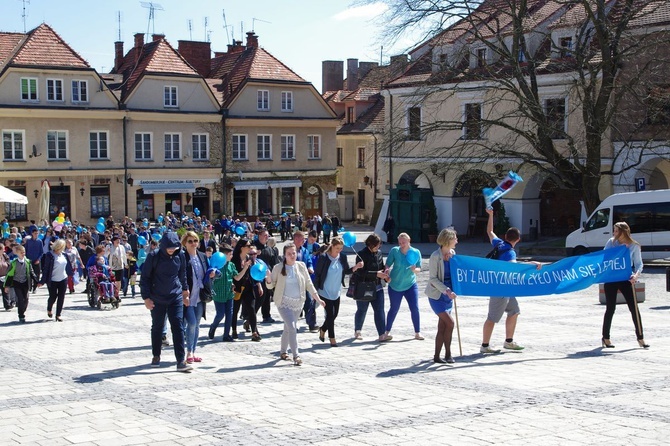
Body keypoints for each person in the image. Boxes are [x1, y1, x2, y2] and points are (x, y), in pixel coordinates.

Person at [480, 208, 537, 353]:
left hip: (506, 289)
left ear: (505, 236)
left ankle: (509, 341)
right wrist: (531, 264)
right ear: (518, 239)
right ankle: (485, 346)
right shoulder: (510, 251)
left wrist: (491, 215)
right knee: (492, 317)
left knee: (514, 311)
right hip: (500, 289)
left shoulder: (499, 244)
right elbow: (513, 268)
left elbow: (490, 232)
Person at [140, 231, 193, 372]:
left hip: (175, 296)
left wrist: (185, 292)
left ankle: (180, 361)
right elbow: (145, 277)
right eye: (168, 247)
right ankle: (156, 355)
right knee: (157, 327)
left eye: (173, 247)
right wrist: (146, 298)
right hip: (157, 297)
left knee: (178, 326)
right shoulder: (154, 256)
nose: (171, 250)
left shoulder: (180, 255)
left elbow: (182, 274)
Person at [266, 242, 325, 365]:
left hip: (298, 303)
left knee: (288, 329)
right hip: (283, 303)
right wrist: (268, 278)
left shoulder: (301, 266)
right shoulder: (278, 267)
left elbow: (309, 284)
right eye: (289, 254)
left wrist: (318, 299)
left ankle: (283, 351)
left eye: (294, 253)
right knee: (293, 328)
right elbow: (271, 285)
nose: (292, 256)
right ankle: (296, 356)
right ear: (284, 255)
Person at [601, 222, 649, 349]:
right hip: (611, 279)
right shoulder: (611, 242)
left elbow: (639, 264)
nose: (614, 233)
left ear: (623, 232)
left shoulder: (634, 245)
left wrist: (636, 276)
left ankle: (640, 337)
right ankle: (606, 338)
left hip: (626, 279)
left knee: (634, 308)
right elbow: (604, 258)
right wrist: (617, 250)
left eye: (616, 231)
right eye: (614, 230)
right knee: (610, 308)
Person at [313, 237, 362, 347]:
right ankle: (332, 338)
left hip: (336, 290)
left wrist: (356, 267)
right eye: (337, 248)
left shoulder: (342, 257)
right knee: (330, 314)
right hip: (324, 290)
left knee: (334, 315)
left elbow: (346, 271)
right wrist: (314, 291)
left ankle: (323, 329)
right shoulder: (324, 257)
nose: (339, 250)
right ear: (332, 246)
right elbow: (317, 274)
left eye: (341, 248)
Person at [426, 228, 458, 363]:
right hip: (437, 295)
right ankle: (448, 353)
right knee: (450, 323)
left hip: (448, 295)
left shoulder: (453, 253)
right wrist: (446, 290)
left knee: (443, 326)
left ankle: (440, 356)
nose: (457, 240)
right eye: (455, 238)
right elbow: (433, 279)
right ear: (448, 240)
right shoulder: (435, 256)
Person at [383, 233, 423, 341]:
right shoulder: (395, 251)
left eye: (403, 242)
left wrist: (415, 270)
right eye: (400, 243)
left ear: (409, 240)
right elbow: (387, 264)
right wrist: (386, 271)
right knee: (394, 308)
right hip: (395, 284)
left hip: (410, 284)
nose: (401, 244)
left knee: (414, 308)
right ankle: (387, 332)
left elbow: (419, 268)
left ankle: (417, 332)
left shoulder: (415, 252)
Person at [353, 233, 391, 342]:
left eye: (379, 245)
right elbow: (360, 272)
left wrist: (385, 275)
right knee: (362, 310)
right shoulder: (361, 254)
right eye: (376, 245)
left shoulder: (379, 253)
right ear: (370, 244)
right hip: (363, 286)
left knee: (379, 310)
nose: (378, 248)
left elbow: (381, 267)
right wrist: (376, 274)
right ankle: (358, 330)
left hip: (377, 286)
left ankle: (382, 334)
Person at [182, 231, 212, 364]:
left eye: (195, 241)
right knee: (192, 323)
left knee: (197, 324)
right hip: (188, 296)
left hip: (200, 296)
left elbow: (209, 271)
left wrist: (213, 274)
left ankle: (193, 351)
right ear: (185, 243)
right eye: (190, 241)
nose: (193, 243)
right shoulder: (182, 257)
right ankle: (189, 351)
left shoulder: (202, 256)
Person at [209, 243, 244, 341]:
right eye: (230, 254)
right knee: (220, 314)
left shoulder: (231, 265)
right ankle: (213, 327)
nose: (232, 256)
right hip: (218, 293)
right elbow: (210, 278)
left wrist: (245, 268)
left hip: (229, 293)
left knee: (230, 314)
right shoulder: (216, 266)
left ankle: (226, 335)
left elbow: (237, 277)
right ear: (224, 255)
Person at [231, 239, 260, 340]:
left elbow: (253, 273)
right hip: (237, 288)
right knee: (235, 310)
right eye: (248, 246)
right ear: (242, 247)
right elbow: (235, 277)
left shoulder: (250, 258)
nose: (250, 247)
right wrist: (245, 267)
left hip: (248, 287)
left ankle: (254, 332)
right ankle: (234, 330)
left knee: (251, 309)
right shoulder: (234, 259)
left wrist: (258, 284)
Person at [38, 239, 73, 322]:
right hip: (52, 279)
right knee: (53, 297)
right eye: (61, 247)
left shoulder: (64, 255)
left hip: (63, 278)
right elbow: (46, 269)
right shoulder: (49, 255)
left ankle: (58, 315)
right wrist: (42, 281)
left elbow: (68, 266)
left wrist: (71, 274)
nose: (62, 248)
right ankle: (49, 309)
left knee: (61, 297)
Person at [3, 244, 38, 323]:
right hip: (17, 283)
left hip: (25, 283)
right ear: (17, 253)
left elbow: (31, 273)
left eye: (24, 252)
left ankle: (23, 310)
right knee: (20, 299)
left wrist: (37, 281)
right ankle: (21, 315)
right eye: (21, 252)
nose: (23, 254)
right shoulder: (14, 263)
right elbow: (9, 275)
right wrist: (7, 286)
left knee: (26, 299)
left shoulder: (28, 262)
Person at [254, 228, 280, 323]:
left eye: (267, 236)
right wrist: (255, 253)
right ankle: (250, 316)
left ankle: (266, 315)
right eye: (264, 235)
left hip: (268, 275)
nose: (266, 237)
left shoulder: (269, 249)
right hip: (256, 276)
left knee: (267, 296)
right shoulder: (254, 247)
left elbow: (274, 262)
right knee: (258, 297)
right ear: (259, 236)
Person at [24, 225, 43, 293]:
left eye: (37, 233)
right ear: (32, 233)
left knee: (37, 274)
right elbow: (25, 250)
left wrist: (38, 259)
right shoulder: (28, 241)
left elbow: (41, 252)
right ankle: (30, 287)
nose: (36, 235)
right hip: (29, 260)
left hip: (37, 260)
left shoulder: (39, 241)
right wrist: (26, 259)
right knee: (29, 274)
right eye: (35, 233)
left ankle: (35, 287)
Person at [108, 235, 127, 300]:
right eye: (117, 240)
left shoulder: (121, 247)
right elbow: (105, 255)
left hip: (120, 266)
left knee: (118, 281)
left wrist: (126, 263)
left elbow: (124, 256)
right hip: (112, 266)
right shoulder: (110, 247)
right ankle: (112, 293)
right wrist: (108, 251)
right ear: (113, 241)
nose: (118, 241)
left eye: (119, 240)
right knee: (113, 280)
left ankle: (117, 294)